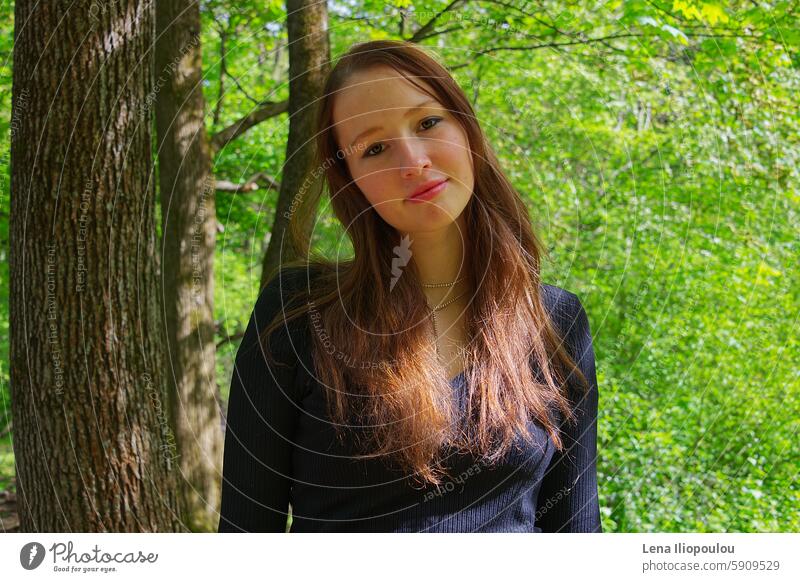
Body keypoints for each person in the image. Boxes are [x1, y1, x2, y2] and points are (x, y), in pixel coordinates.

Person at [218, 40, 601, 533]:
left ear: (466, 129)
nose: (413, 161)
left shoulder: (557, 321)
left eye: (427, 123)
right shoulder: (299, 312)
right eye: (374, 148)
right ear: (351, 180)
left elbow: (578, 535)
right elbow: (246, 534)